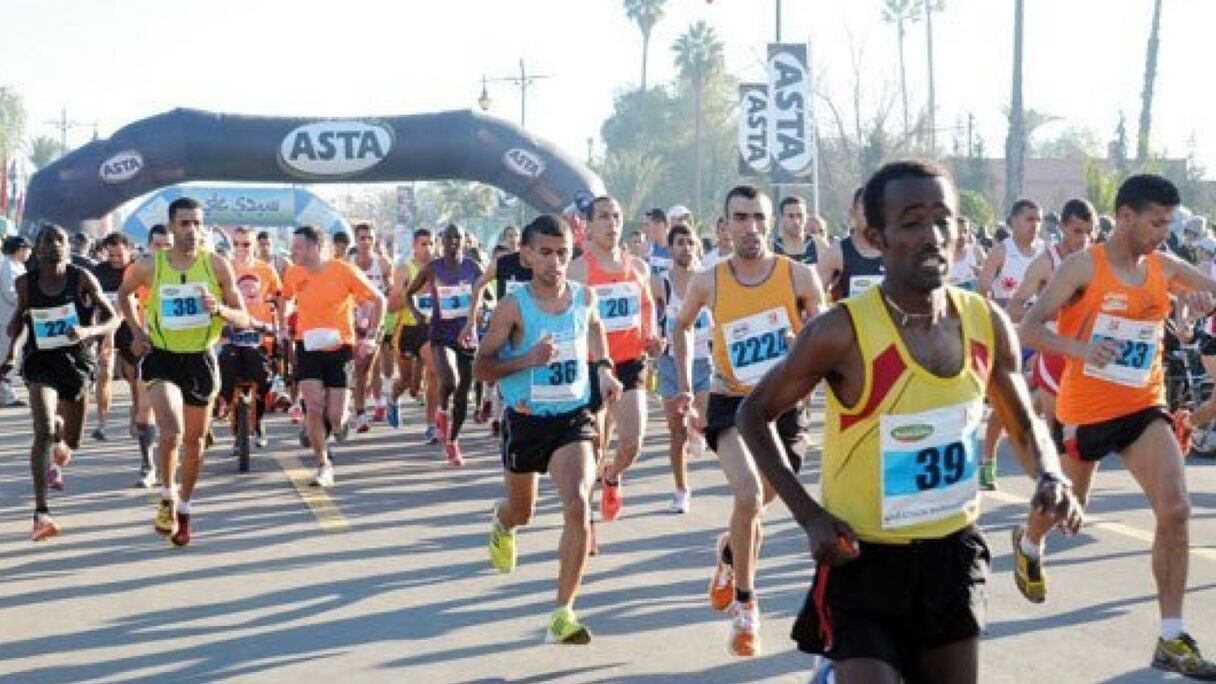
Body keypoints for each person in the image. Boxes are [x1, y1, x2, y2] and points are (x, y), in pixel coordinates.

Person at [738, 161, 1082, 683]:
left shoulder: (986, 322)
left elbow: (1023, 422)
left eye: (943, 220)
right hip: (863, 560)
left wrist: (1051, 475)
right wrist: (809, 515)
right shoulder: (842, 331)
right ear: (876, 236)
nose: (933, 237)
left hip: (952, 555)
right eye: (912, 222)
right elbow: (753, 414)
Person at [1016, 174, 1216, 679]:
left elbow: (1210, 286)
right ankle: (1029, 542)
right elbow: (1030, 327)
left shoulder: (1162, 265)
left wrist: (1201, 299)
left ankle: (1172, 636)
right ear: (1126, 217)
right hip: (1087, 410)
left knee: (1176, 508)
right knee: (1066, 513)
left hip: (1145, 406)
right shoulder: (1085, 267)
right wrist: (1083, 349)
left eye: (1169, 223)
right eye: (1156, 223)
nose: (1163, 233)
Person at [672, 184, 825, 657]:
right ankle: (746, 607)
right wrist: (685, 385)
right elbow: (679, 327)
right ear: (724, 225)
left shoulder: (800, 277)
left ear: (772, 223)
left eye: (759, 218)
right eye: (740, 218)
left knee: (754, 509)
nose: (751, 228)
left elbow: (824, 337)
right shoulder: (708, 280)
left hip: (785, 408)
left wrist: (807, 362)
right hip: (733, 405)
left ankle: (727, 552)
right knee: (749, 494)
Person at [475, 214, 622, 645]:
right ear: (526, 255)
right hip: (525, 420)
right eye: (545, 253)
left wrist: (606, 370)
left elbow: (596, 334)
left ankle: (563, 613)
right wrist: (528, 360)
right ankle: (502, 523)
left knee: (578, 503)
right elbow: (483, 368)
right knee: (523, 512)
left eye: (562, 253)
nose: (555, 262)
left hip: (572, 419)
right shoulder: (513, 307)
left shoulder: (584, 297)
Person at [116, 198, 252, 547]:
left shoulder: (217, 265)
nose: (192, 231)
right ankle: (166, 497)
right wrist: (137, 331)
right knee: (171, 430)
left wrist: (219, 308)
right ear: (172, 226)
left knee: (194, 442)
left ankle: (185, 507)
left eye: (197, 223)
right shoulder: (151, 265)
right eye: (184, 224)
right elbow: (124, 294)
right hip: (162, 357)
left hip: (201, 360)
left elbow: (244, 317)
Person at [14, 226, 120, 540]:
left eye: (61, 240)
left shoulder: (82, 278)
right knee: (42, 430)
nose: (56, 245)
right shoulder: (26, 283)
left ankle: (61, 436)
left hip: (76, 363)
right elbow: (22, 318)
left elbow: (113, 317)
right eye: (48, 241)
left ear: (68, 246)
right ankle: (41, 513)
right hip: (41, 362)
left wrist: (88, 333)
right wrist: (11, 350)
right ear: (37, 248)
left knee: (71, 441)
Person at [568, 195, 661, 522]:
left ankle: (612, 475)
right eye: (604, 217)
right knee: (593, 446)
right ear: (589, 225)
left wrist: (651, 336)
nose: (612, 223)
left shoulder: (638, 266)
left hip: (629, 361)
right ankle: (587, 522)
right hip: (591, 366)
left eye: (617, 216)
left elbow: (647, 305)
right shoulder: (577, 271)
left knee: (632, 443)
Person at [280, 226, 385, 486]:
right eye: (294, 247)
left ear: (316, 247)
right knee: (314, 407)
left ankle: (339, 425)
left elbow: (379, 299)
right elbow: (285, 298)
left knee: (335, 416)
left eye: (300, 247)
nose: (295, 251)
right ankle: (323, 464)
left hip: (340, 350)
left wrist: (370, 335)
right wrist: (283, 323)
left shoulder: (343, 270)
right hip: (308, 347)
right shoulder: (294, 273)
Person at [1007, 199, 1096, 478]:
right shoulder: (1045, 263)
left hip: (1087, 353)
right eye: (1077, 231)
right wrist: (1045, 313)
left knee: (1085, 433)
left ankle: (1069, 494)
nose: (1083, 239)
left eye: (1089, 232)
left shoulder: (1096, 260)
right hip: (1055, 352)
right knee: (1057, 432)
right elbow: (1016, 304)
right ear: (1062, 228)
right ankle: (1051, 489)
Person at [976, 199, 1045, 488]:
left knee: (1043, 391)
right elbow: (982, 293)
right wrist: (1004, 311)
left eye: (1038, 219)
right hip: (1009, 337)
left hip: (1038, 334)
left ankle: (1045, 464)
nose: (1035, 225)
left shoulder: (1045, 253)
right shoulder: (1002, 252)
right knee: (1006, 401)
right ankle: (988, 458)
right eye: (1029, 219)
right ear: (1013, 222)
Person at [404, 224, 483, 465]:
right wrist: (418, 315)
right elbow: (410, 293)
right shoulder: (432, 268)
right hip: (440, 334)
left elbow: (485, 295)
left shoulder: (473, 267)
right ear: (442, 241)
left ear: (464, 241)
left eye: (457, 238)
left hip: (467, 335)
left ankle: (453, 442)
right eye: (448, 238)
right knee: (450, 380)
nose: (453, 242)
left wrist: (484, 308)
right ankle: (440, 409)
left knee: (463, 394)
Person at [652, 223, 711, 513]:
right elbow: (650, 316)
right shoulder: (660, 282)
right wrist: (655, 338)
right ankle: (681, 489)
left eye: (690, 242)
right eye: (679, 243)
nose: (685, 248)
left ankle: (696, 430)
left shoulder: (709, 279)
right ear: (671, 248)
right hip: (670, 363)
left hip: (703, 360)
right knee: (675, 431)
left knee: (704, 419)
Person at [219, 226, 281, 450]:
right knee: (226, 365)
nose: (241, 249)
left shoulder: (267, 270)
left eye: (245, 244)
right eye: (236, 244)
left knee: (262, 377)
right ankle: (226, 409)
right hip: (231, 335)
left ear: (254, 245)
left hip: (259, 337)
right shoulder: (224, 268)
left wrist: (279, 327)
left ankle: (259, 420)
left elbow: (281, 299)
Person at [386, 229, 436, 428]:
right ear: (414, 246)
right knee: (407, 381)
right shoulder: (404, 269)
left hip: (429, 329)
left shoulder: (438, 269)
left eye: (431, 243)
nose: (428, 248)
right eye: (423, 244)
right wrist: (413, 292)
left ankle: (432, 424)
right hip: (407, 328)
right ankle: (393, 397)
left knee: (433, 372)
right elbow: (391, 305)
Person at [90, 232, 137, 441]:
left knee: (133, 375)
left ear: (129, 250)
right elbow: (91, 302)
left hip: (130, 325)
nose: (115, 260)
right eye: (111, 255)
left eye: (119, 255)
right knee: (104, 372)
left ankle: (137, 416)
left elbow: (129, 303)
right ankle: (102, 422)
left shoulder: (136, 269)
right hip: (104, 325)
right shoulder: (98, 272)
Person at [350, 222, 394, 433]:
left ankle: (362, 410)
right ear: (356, 240)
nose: (366, 242)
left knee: (366, 368)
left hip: (375, 324)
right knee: (357, 368)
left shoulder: (383, 264)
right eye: (362, 238)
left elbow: (390, 292)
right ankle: (358, 412)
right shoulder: (347, 264)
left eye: (370, 238)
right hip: (350, 322)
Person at [817, 187, 885, 300]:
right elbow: (812, 297)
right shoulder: (836, 253)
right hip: (851, 316)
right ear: (852, 212)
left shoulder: (899, 251)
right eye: (866, 210)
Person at [0, 235, 32, 407]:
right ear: (20, 248)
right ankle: (7, 396)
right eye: (28, 249)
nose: (30, 252)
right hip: (8, 319)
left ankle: (5, 394)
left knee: (12, 356)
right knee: (8, 357)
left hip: (16, 317)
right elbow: (11, 293)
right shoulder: (7, 266)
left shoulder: (17, 265)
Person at [773, 195, 828, 266]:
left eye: (800, 215)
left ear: (806, 217)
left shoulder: (819, 245)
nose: (796, 221)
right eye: (791, 216)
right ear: (782, 218)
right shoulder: (771, 248)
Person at [946, 218, 986, 291]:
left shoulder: (975, 250)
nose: (962, 235)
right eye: (958, 232)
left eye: (965, 231)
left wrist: (981, 271)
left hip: (972, 299)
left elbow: (991, 271)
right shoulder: (944, 255)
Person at [643, 209, 673, 278]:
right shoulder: (646, 250)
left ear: (660, 225)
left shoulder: (676, 249)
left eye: (647, 225)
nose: (644, 229)